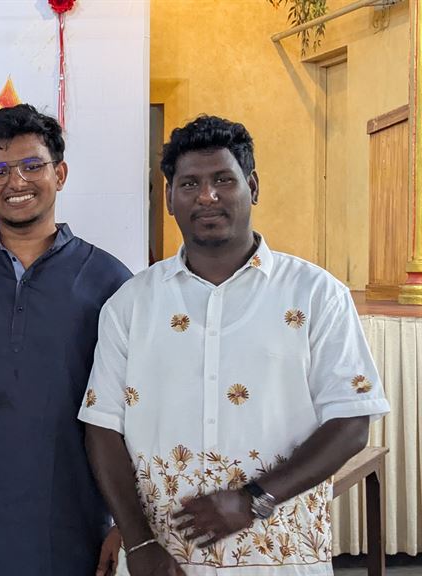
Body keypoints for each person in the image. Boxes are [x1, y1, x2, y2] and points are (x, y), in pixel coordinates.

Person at [79, 115, 391, 576]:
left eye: (223, 180)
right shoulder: (131, 304)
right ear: (169, 198)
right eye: (190, 184)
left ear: (253, 186)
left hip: (280, 559)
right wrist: (139, 541)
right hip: (165, 559)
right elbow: (103, 426)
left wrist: (254, 498)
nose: (207, 196)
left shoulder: (316, 294)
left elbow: (351, 422)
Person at [0, 104, 130, 575]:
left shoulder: (109, 281)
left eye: (32, 166)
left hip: (70, 525)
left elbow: (136, 415)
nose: (16, 182)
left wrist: (125, 522)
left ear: (60, 173)